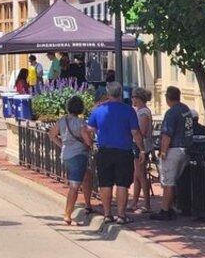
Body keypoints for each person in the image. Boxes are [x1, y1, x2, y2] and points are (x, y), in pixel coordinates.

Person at [86, 82, 147, 224]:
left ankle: (107, 214)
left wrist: (91, 141)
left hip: (104, 150)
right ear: (120, 94)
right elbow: (136, 133)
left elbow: (89, 129)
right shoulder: (129, 110)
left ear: (108, 93)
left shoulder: (98, 110)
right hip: (123, 151)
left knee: (105, 183)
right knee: (122, 184)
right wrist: (142, 149)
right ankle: (121, 215)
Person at [48, 95, 95, 226]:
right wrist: (90, 140)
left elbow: (52, 134)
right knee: (74, 186)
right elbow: (88, 141)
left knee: (87, 175)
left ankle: (88, 204)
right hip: (78, 155)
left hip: (66, 154)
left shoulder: (62, 120)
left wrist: (61, 144)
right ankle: (67, 215)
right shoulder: (80, 123)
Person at [151, 86, 194, 221]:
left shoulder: (171, 113)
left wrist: (163, 152)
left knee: (168, 181)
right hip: (185, 149)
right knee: (174, 180)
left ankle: (165, 210)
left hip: (174, 149)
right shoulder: (186, 109)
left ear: (167, 98)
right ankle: (170, 207)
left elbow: (167, 135)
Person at [129, 88, 154, 214]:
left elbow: (143, 131)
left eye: (133, 97)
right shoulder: (138, 111)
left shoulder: (143, 112)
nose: (132, 99)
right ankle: (134, 201)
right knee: (136, 174)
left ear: (137, 98)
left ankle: (147, 204)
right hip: (137, 144)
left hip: (142, 145)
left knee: (141, 174)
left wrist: (132, 133)